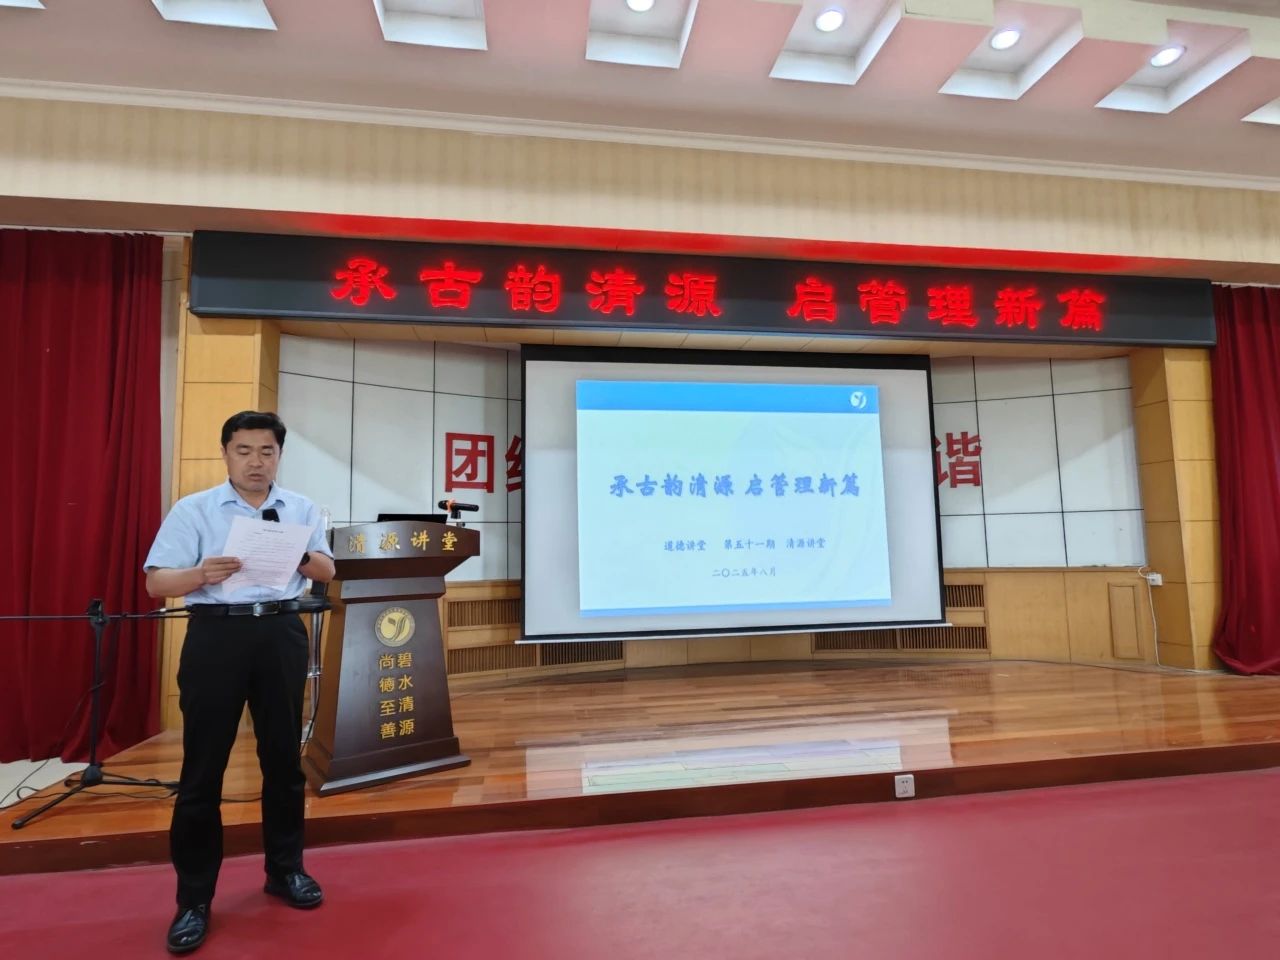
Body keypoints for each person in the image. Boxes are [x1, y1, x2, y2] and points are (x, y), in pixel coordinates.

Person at [144, 411, 336, 955]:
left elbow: (326, 571)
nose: (256, 462)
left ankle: (285, 870)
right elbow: (157, 582)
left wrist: (298, 553)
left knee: (283, 761)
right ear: (226, 453)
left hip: (280, 632)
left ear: (280, 455)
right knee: (203, 770)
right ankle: (194, 899)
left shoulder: (298, 508)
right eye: (244, 451)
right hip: (216, 636)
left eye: (267, 451)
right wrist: (200, 574)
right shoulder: (195, 509)